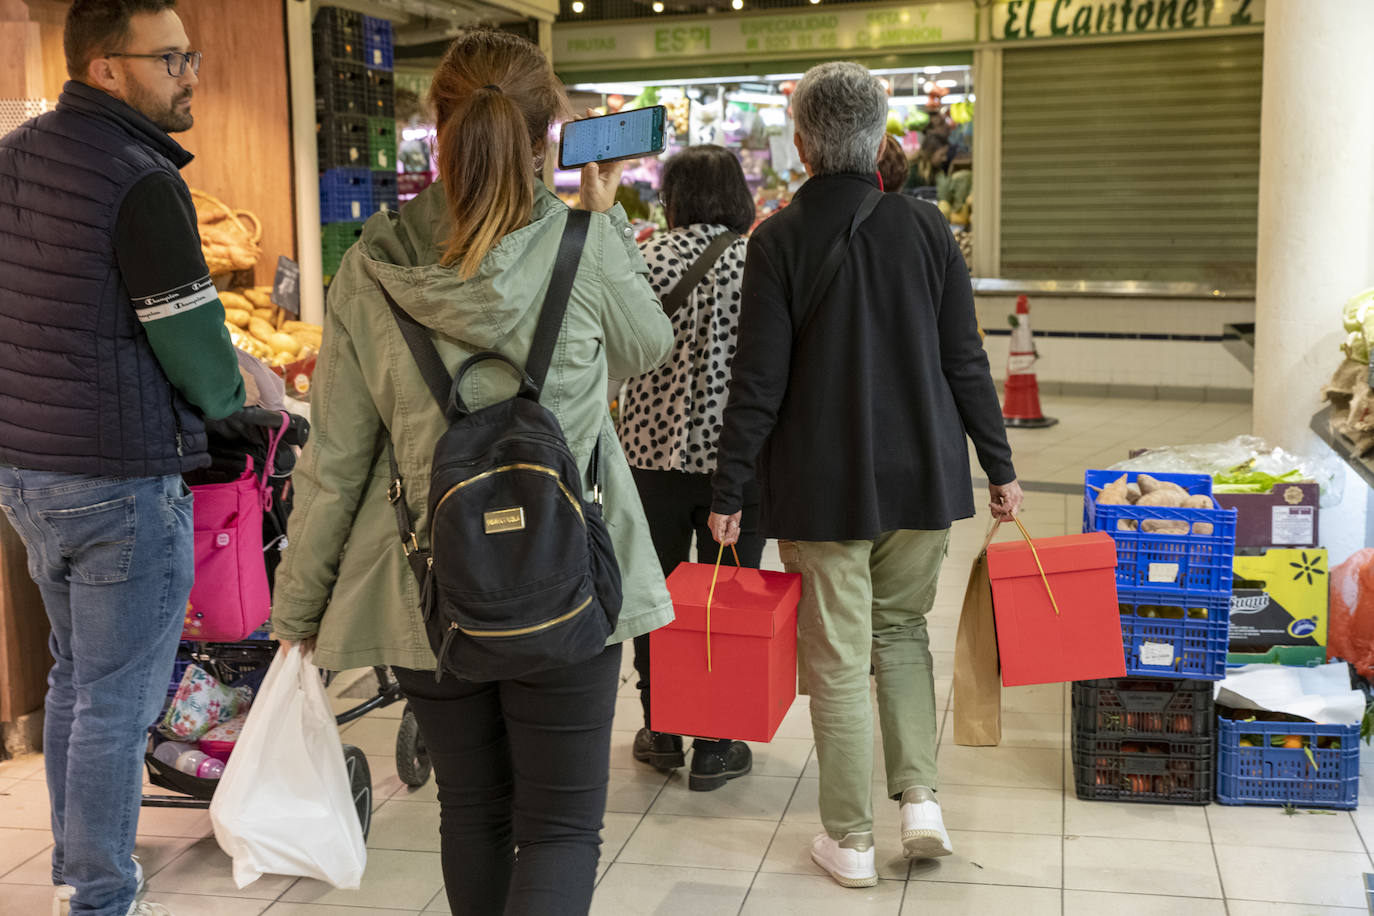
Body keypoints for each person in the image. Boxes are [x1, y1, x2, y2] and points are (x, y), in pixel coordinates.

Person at [268, 29, 673, 916]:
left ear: (436, 130)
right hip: (571, 578)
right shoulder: (583, 242)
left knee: (475, 812)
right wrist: (601, 216)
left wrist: (296, 609)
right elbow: (649, 345)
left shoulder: (370, 269)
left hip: (430, 588)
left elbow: (333, 463)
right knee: (561, 830)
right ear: (546, 138)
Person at [707, 61, 1022, 889]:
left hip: (821, 490)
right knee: (902, 636)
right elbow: (966, 359)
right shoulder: (927, 232)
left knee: (840, 659)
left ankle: (848, 841)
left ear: (803, 144)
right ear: (880, 140)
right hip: (922, 478)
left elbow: (758, 383)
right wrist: (1000, 465)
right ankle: (920, 802)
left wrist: (730, 488)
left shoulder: (775, 240)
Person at [0, 2, 246, 915]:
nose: (191, 73)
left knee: (76, 681)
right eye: (172, 57)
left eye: (192, 54)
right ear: (107, 69)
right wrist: (237, 401)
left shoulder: (15, 158)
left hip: (28, 471)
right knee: (115, 700)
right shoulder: (138, 177)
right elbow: (189, 337)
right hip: (118, 478)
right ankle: (100, 895)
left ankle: (79, 869)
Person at [619, 145, 761, 790]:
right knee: (730, 595)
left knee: (658, 598)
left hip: (648, 461)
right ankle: (718, 742)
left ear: (673, 196)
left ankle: (663, 729)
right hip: (736, 464)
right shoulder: (758, 263)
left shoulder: (645, 258)